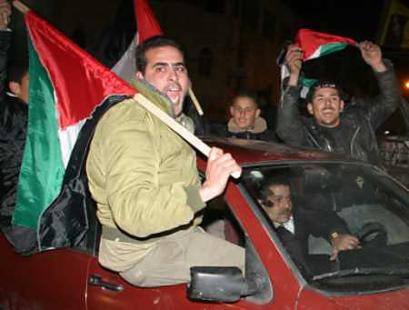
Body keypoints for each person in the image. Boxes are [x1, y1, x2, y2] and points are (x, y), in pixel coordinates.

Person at [86, 35, 244, 287]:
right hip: (141, 252)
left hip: (178, 232)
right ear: (140, 78)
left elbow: (170, 176)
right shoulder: (131, 120)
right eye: (161, 68)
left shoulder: (175, 123)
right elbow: (133, 213)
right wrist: (205, 190)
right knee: (262, 274)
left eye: (179, 68)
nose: (173, 76)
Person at [276, 41, 401, 165]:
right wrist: (294, 75)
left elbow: (390, 101)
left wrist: (378, 64)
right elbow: (285, 127)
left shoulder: (360, 120)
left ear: (341, 105)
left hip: (369, 184)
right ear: (310, 108)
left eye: (334, 98)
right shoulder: (306, 134)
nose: (328, 103)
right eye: (320, 99)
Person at [258, 177, 359, 272]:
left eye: (288, 198)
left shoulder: (298, 214)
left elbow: (328, 221)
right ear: (261, 203)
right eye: (278, 200)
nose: (287, 205)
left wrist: (336, 236)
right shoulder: (252, 229)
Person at [0, 0, 28, 228]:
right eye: (34, 81)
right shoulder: (8, 113)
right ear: (14, 87)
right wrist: (2, 32)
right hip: (10, 217)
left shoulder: (51, 118)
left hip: (44, 215)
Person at [209, 92, 276, 141]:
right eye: (238, 109)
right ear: (232, 111)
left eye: (248, 110)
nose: (242, 114)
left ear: (257, 113)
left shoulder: (270, 138)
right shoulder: (219, 135)